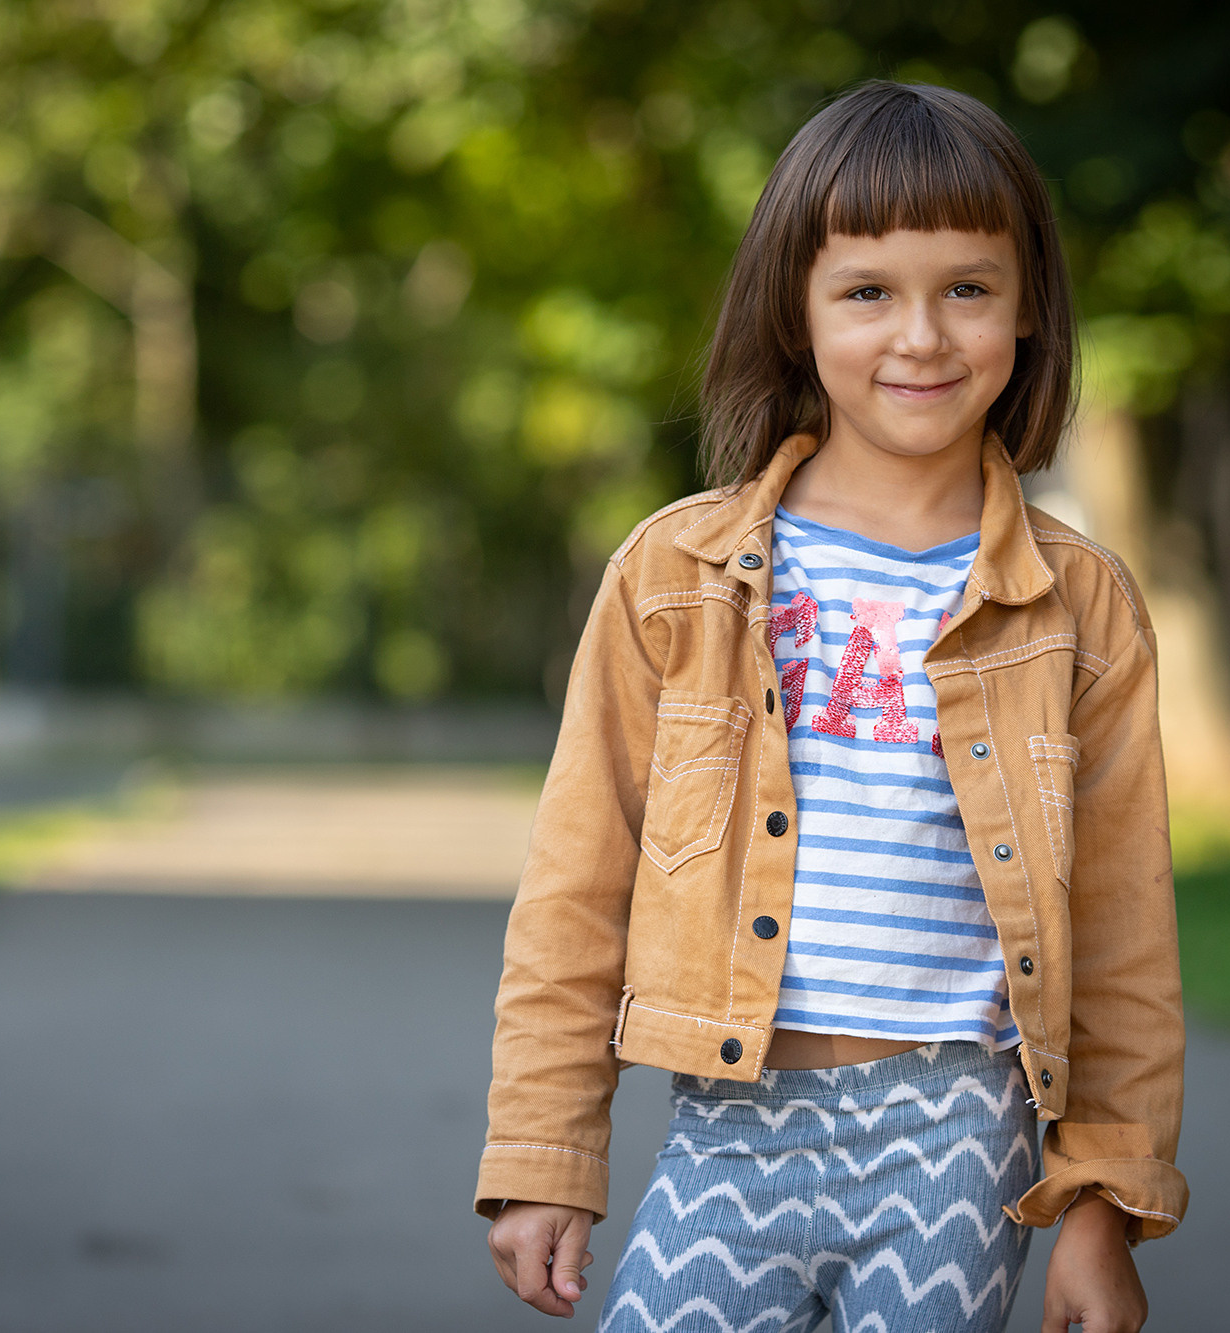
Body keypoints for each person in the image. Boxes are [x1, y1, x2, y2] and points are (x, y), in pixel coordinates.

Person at [478, 80, 1185, 1333]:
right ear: (795, 315)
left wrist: (1098, 1203)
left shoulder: (1077, 606)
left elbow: (1122, 934)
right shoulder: (673, 578)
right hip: (728, 1131)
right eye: (866, 291)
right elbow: (575, 884)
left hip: (958, 1143)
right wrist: (545, 1153)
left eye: (966, 287)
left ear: (1027, 312)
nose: (919, 334)